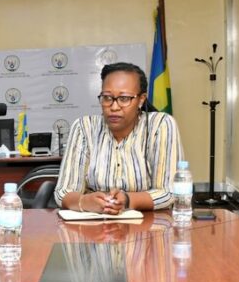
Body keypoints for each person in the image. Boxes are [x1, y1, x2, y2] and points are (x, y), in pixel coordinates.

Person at [54, 61, 183, 213]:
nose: (114, 107)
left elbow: (169, 191)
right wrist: (83, 202)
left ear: (141, 100)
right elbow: (63, 191)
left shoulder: (160, 125)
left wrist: (128, 200)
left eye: (124, 99)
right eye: (107, 98)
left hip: (148, 226)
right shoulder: (84, 128)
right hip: (94, 225)